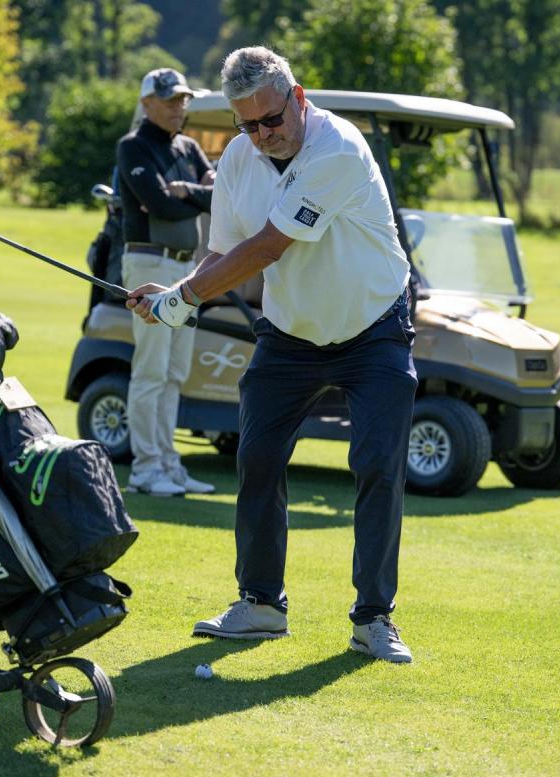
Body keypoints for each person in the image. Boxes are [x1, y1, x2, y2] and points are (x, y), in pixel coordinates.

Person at [127, 47, 416, 663]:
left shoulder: (337, 149)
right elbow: (223, 253)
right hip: (289, 335)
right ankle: (260, 605)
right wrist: (178, 293)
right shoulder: (239, 157)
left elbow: (266, 248)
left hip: (374, 327)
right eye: (247, 124)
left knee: (377, 465)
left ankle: (374, 618)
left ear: (298, 98)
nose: (262, 135)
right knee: (256, 459)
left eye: (271, 119)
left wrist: (182, 299)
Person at [116, 67, 217, 498]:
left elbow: (219, 195)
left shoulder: (188, 146)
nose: (180, 106)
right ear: (147, 104)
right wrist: (193, 196)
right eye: (171, 99)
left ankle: (168, 463)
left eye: (183, 99)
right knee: (152, 369)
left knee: (175, 372)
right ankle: (146, 468)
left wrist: (186, 192)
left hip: (186, 268)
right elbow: (158, 205)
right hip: (149, 264)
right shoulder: (133, 146)